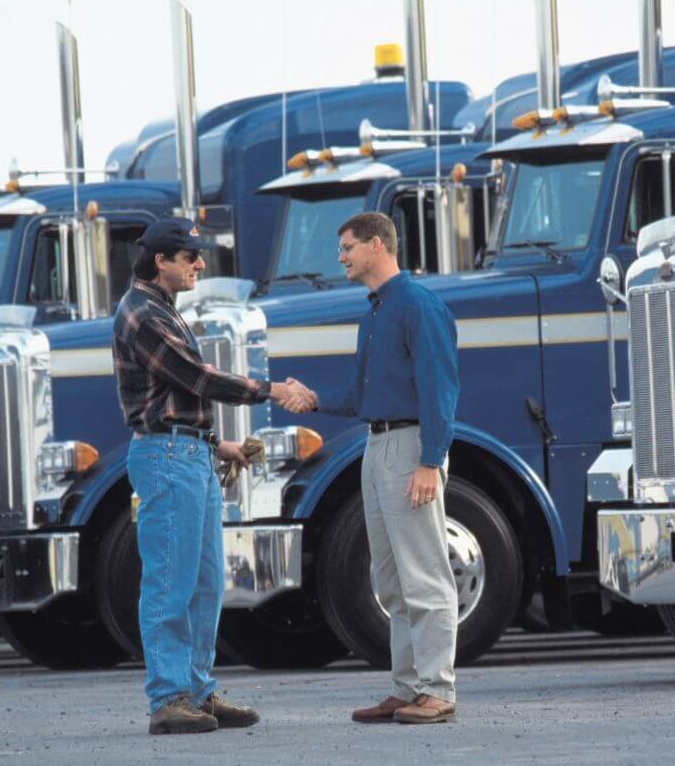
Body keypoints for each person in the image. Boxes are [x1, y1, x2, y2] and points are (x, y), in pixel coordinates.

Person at [112, 218, 313, 735]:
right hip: (167, 460)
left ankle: (197, 692)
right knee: (169, 583)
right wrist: (271, 390)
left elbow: (174, 398)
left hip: (187, 455)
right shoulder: (141, 313)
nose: (200, 264)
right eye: (189, 256)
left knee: (203, 584)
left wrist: (214, 443)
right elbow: (196, 378)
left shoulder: (158, 308)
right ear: (161, 259)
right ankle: (168, 699)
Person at [285, 212, 460, 724]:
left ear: (377, 245)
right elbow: (363, 395)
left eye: (347, 247)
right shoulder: (376, 312)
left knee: (424, 574)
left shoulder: (417, 306)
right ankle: (408, 689)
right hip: (377, 446)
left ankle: (438, 691)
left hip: (409, 448)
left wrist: (431, 461)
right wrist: (312, 398)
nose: (340, 257)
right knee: (390, 579)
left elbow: (441, 390)